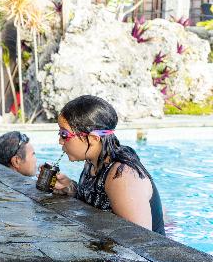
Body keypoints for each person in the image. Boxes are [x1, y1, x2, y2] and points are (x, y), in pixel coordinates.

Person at [50, 95, 165, 235]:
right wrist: (71, 188)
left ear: (92, 139)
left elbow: (140, 242)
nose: (60, 141)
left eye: (64, 134)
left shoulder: (122, 176)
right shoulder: (93, 163)